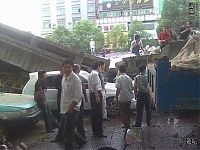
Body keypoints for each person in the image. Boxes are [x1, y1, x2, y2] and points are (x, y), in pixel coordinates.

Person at [60, 59, 86, 149]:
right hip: (64, 107)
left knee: (67, 132)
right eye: (65, 67)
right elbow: (64, 94)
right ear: (63, 68)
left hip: (73, 108)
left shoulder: (75, 79)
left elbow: (78, 96)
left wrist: (71, 108)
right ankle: (82, 141)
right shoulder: (64, 77)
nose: (67, 69)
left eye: (69, 67)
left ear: (72, 67)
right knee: (68, 129)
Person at [88, 61, 107, 138]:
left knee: (94, 113)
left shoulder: (91, 73)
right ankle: (99, 132)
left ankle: (95, 131)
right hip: (96, 93)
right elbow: (94, 86)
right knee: (98, 114)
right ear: (98, 66)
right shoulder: (95, 74)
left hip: (93, 94)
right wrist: (97, 96)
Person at [115, 65, 134, 130]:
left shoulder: (119, 78)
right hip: (128, 98)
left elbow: (118, 89)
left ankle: (126, 126)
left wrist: (116, 97)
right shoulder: (129, 78)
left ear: (119, 70)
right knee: (128, 112)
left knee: (123, 113)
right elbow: (132, 88)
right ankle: (128, 124)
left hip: (122, 98)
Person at [73, 64, 88, 139]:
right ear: (77, 69)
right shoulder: (79, 77)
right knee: (79, 117)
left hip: (75, 100)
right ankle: (82, 135)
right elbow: (84, 88)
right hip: (79, 99)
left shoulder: (72, 77)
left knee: (75, 118)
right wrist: (85, 97)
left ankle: (78, 135)